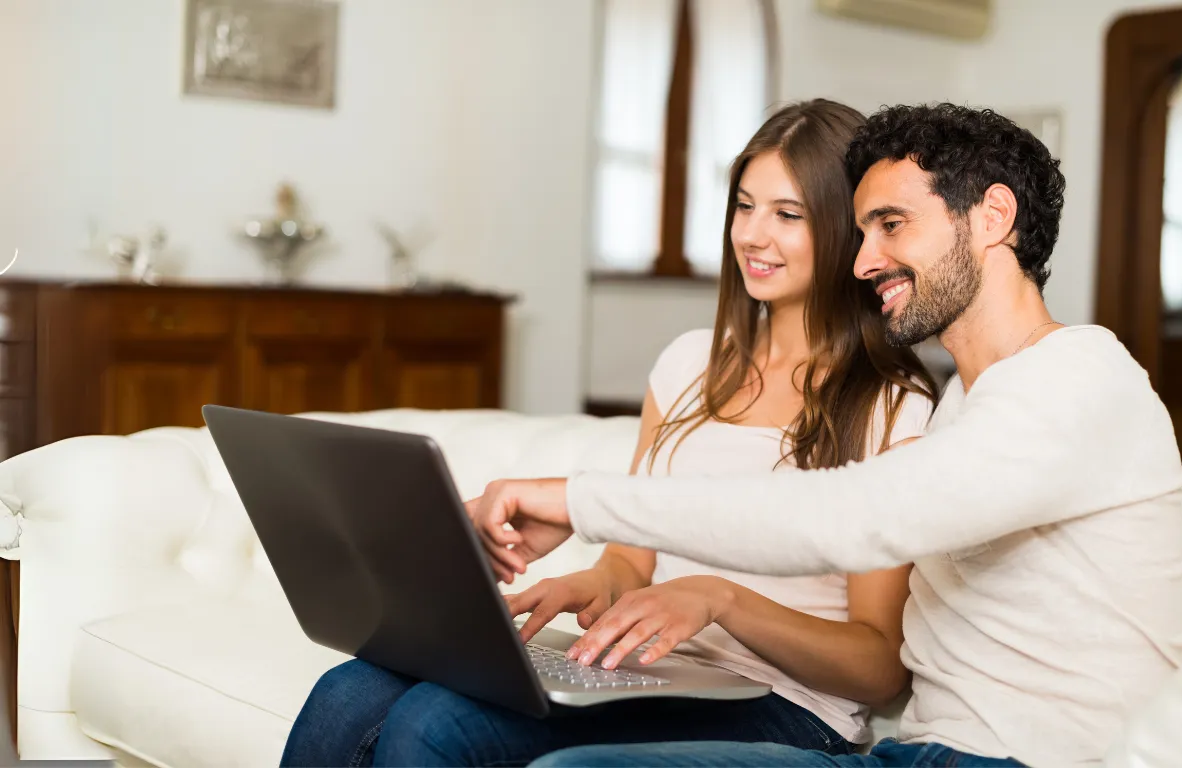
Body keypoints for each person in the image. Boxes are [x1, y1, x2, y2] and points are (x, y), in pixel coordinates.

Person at [467, 103, 1182, 768]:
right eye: (862, 229)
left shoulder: (1078, 377)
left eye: (891, 225)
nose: (862, 261)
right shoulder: (964, 408)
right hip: (911, 756)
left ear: (991, 217)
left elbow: (853, 516)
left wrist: (580, 501)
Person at [280, 98, 941, 767]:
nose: (752, 235)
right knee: (348, 691)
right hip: (664, 668)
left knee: (437, 724)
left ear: (844, 230)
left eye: (787, 215)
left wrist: (720, 602)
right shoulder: (689, 365)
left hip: (792, 707)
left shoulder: (890, 405)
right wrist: (590, 586)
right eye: (744, 206)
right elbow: (632, 560)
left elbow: (880, 666)